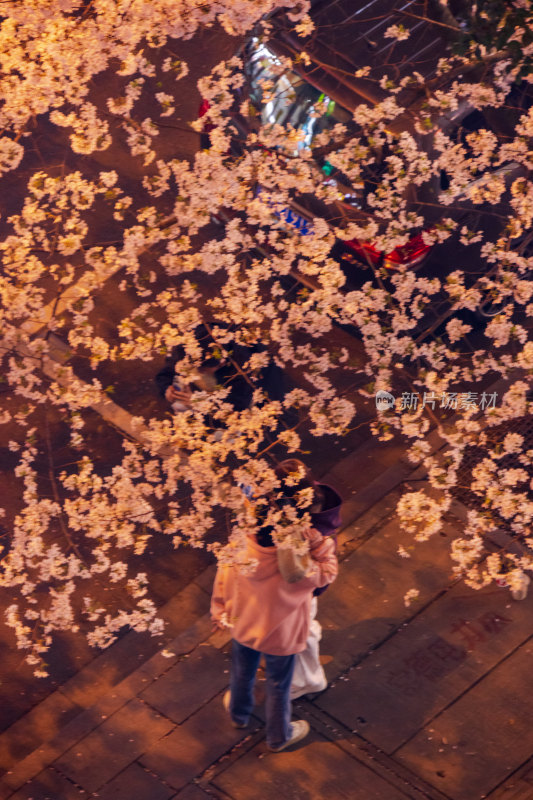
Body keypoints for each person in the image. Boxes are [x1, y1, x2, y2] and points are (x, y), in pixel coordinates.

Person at [211, 513, 338, 751]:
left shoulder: (240, 546)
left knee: (241, 673)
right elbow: (327, 572)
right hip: (281, 637)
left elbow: (222, 579)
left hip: (244, 626)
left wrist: (218, 611)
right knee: (279, 685)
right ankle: (279, 737)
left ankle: (239, 715)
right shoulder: (294, 569)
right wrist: (320, 545)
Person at [274, 459, 342, 699]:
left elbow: (320, 570)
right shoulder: (318, 504)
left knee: (298, 634)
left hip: (302, 587)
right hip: (307, 588)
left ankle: (309, 680)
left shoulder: (307, 528)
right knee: (302, 630)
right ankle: (307, 678)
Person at [155, 322, 285, 415]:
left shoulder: (244, 367)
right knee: (180, 406)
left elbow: (239, 405)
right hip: (213, 384)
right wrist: (167, 388)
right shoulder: (188, 345)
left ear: (221, 364)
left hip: (253, 392)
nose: (197, 370)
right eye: (193, 364)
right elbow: (165, 373)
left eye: (202, 369)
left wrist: (200, 403)